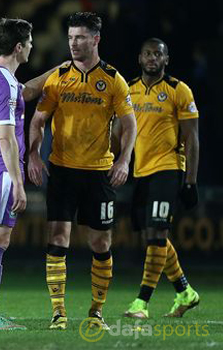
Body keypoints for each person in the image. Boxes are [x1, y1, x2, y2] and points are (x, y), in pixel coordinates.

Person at [28, 12, 137, 330]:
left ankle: (96, 311)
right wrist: (33, 155)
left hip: (99, 173)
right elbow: (38, 120)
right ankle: (59, 312)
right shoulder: (58, 77)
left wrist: (124, 160)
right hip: (62, 170)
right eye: (71, 37)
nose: (73, 43)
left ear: (96, 40)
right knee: (58, 237)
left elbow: (130, 124)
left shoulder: (113, 79)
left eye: (80, 38)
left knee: (100, 244)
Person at [0, 18, 64, 331]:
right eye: (29, 42)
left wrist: (56, 70)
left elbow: (24, 92)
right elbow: (7, 137)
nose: (32, 46)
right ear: (19, 47)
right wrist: (19, 184)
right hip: (1, 169)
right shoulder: (4, 84)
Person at [123, 38, 200, 319]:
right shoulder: (129, 90)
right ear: (139, 58)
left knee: (157, 234)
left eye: (158, 54)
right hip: (141, 172)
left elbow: (192, 138)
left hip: (168, 169)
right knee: (152, 237)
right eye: (147, 53)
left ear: (166, 59)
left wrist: (190, 181)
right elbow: (120, 131)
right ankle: (185, 292)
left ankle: (141, 303)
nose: (152, 58)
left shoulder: (179, 90)